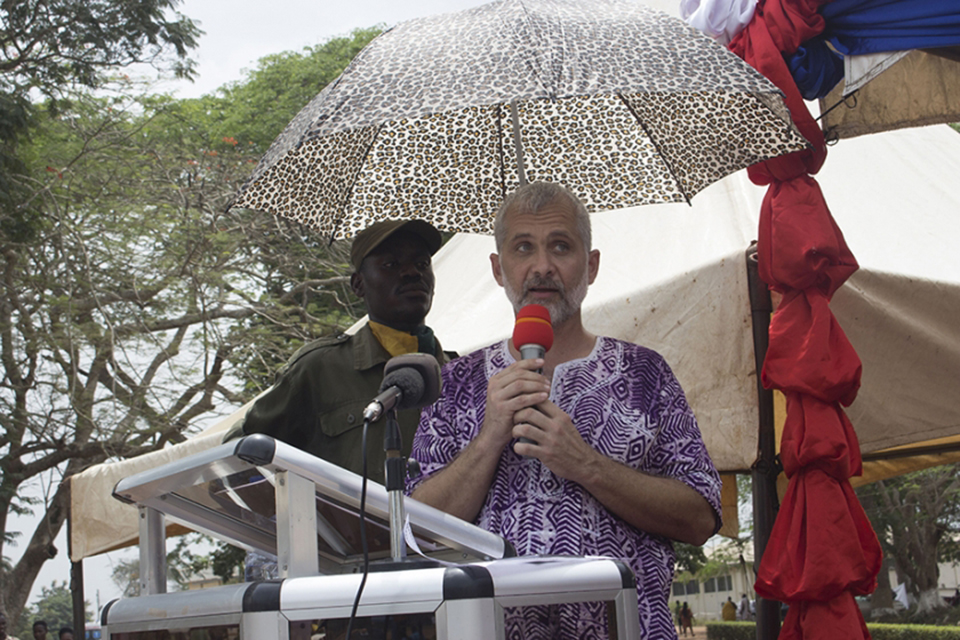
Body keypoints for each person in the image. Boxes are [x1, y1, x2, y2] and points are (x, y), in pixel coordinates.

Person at [408, 182, 722, 638]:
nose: (542, 267)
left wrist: (586, 464)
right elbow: (417, 533)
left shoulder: (644, 373)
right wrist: (490, 436)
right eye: (523, 248)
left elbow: (700, 518)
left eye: (560, 246)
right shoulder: (456, 383)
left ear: (590, 266)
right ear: (499, 269)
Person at [225, 219, 454, 579]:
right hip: (351, 581)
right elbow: (239, 458)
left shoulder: (459, 374)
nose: (412, 273)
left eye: (422, 263)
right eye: (392, 265)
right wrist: (303, 534)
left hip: (450, 571)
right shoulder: (321, 369)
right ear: (359, 284)